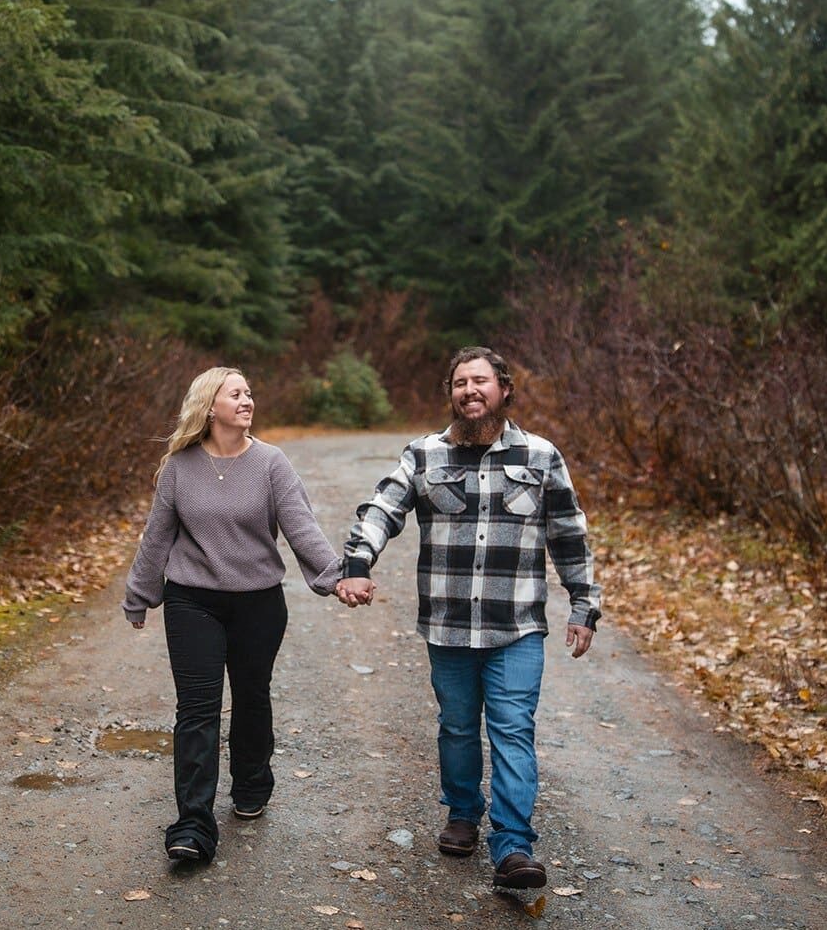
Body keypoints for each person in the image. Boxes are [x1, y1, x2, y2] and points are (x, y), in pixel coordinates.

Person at [333, 346, 599, 891]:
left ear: (504, 389)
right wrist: (358, 562)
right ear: (451, 394)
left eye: (480, 380)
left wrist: (583, 604)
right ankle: (461, 812)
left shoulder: (541, 456)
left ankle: (513, 845)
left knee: (513, 728)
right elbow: (382, 508)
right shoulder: (424, 454)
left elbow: (569, 534)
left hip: (516, 626)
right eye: (460, 383)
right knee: (456, 726)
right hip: (448, 626)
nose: (470, 390)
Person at [123, 366, 348, 863]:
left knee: (251, 696)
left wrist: (336, 577)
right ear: (210, 408)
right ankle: (193, 825)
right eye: (236, 394)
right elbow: (157, 536)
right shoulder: (179, 467)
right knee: (196, 709)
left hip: (258, 603)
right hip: (192, 600)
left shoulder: (271, 463)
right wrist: (140, 594)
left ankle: (251, 783)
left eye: (249, 393)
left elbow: (301, 527)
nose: (247, 401)